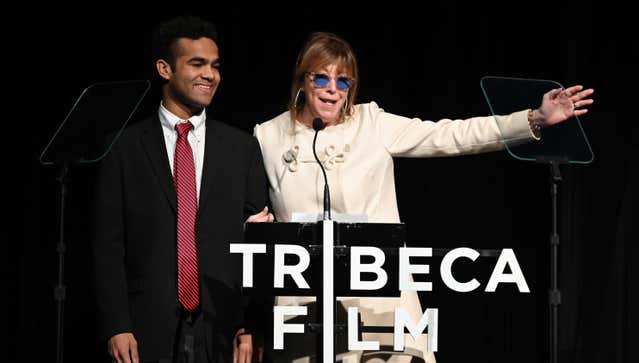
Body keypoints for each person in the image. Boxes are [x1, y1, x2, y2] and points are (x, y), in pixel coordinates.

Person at [253, 32, 593, 362]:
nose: (332, 90)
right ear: (303, 79)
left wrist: (534, 118)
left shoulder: (372, 123)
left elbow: (452, 135)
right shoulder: (268, 136)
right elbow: (251, 210)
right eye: (321, 78)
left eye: (343, 82)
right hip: (304, 307)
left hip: (379, 304)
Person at [91, 16, 273, 363]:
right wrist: (117, 324)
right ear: (165, 69)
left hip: (223, 327)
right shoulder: (122, 148)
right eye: (197, 64)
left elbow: (258, 246)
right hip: (146, 326)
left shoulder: (242, 148)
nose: (210, 75)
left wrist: (251, 323)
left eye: (215, 66)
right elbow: (108, 246)